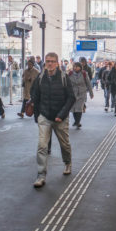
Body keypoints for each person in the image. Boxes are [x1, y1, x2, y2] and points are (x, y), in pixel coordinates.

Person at [30, 52, 75, 188]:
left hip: (60, 118)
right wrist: (37, 115)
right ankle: (41, 175)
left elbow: (71, 98)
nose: (49, 64)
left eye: (52, 61)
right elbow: (35, 96)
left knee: (64, 144)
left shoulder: (64, 77)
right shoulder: (40, 77)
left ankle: (67, 162)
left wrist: (61, 115)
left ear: (57, 63)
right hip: (44, 116)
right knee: (42, 146)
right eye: (47, 61)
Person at [68, 62, 93, 128]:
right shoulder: (70, 73)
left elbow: (88, 84)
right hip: (73, 93)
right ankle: (76, 121)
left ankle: (77, 122)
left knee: (79, 108)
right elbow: (67, 84)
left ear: (80, 67)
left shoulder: (84, 73)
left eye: (76, 66)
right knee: (73, 108)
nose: (75, 68)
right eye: (74, 66)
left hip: (82, 93)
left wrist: (91, 93)